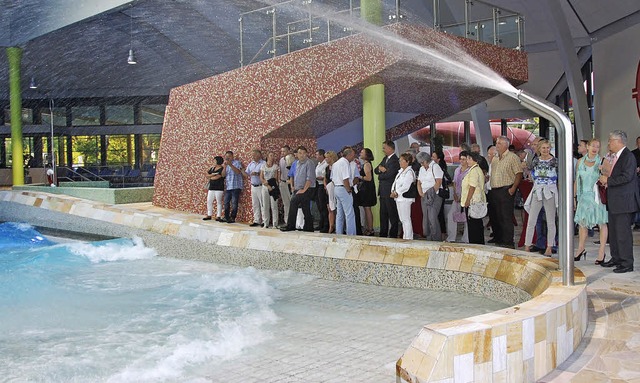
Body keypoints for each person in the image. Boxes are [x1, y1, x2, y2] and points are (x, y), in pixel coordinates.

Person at [598, 131, 640, 273]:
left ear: (618, 141)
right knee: (614, 234)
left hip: (624, 202)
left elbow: (627, 177)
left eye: (610, 140)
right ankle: (616, 258)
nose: (608, 143)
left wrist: (608, 180)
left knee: (623, 234)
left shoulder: (628, 156)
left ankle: (627, 263)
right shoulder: (616, 156)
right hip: (615, 201)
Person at [574, 138, 608, 263]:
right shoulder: (580, 162)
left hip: (597, 197)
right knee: (582, 224)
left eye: (598, 146)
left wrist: (603, 171)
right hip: (583, 196)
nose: (595, 148)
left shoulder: (602, 161)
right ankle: (580, 248)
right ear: (587, 147)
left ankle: (601, 251)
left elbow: (607, 180)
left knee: (601, 223)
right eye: (593, 145)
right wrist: (574, 197)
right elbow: (577, 181)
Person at [523, 140, 558, 256]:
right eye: (543, 148)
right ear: (539, 149)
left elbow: (558, 175)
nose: (545, 150)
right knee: (531, 219)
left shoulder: (554, 161)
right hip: (538, 190)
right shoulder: (536, 160)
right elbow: (531, 172)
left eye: (547, 147)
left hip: (550, 191)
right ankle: (527, 245)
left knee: (550, 220)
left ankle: (549, 246)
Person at [488, 136, 523, 248]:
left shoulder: (512, 157)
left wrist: (513, 189)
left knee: (506, 216)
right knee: (497, 216)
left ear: (505, 145)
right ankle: (500, 239)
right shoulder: (495, 158)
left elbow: (518, 173)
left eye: (499, 143)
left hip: (506, 190)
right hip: (494, 190)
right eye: (496, 143)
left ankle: (508, 242)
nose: (497, 145)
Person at [280, 146, 316, 232]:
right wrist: (294, 187)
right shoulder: (297, 163)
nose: (302, 155)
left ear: (306, 154)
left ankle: (290, 225)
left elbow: (310, 178)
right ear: (297, 155)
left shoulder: (309, 163)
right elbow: (294, 176)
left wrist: (304, 190)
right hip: (298, 188)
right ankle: (309, 227)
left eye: (304, 153)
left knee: (293, 202)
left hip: (307, 189)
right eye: (300, 153)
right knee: (305, 207)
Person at [374, 140, 400, 238]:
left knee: (392, 214)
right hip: (383, 191)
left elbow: (389, 175)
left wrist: (381, 174)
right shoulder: (385, 159)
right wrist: (381, 170)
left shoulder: (394, 160)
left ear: (390, 148)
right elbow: (376, 170)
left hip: (390, 191)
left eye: (384, 147)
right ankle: (383, 233)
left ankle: (393, 234)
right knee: (383, 214)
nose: (383, 150)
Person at [416, 151, 443, 241]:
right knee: (426, 218)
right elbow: (419, 182)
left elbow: (438, 182)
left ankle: (436, 239)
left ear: (427, 160)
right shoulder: (422, 169)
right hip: (424, 196)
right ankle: (429, 238)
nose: (421, 164)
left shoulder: (435, 167)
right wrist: (421, 193)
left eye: (422, 162)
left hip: (434, 196)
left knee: (432, 217)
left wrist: (430, 194)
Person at [461, 152, 486, 244]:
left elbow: (472, 187)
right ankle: (478, 242)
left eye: (468, 159)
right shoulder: (474, 169)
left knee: (474, 225)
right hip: (475, 201)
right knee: (476, 224)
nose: (467, 161)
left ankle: (476, 243)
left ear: (474, 160)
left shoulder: (474, 170)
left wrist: (467, 200)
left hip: (473, 201)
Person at [391, 152, 416, 240]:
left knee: (406, 219)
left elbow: (405, 186)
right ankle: (405, 236)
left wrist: (396, 192)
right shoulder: (401, 171)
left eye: (401, 160)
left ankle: (408, 237)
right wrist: (393, 191)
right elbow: (395, 183)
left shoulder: (409, 172)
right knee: (402, 219)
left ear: (407, 162)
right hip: (399, 198)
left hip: (405, 199)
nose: (400, 162)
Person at [332, 148, 357, 235]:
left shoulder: (336, 163)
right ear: (349, 155)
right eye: (353, 155)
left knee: (339, 214)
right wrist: (348, 190)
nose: (354, 157)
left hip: (336, 188)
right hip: (343, 189)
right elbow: (345, 179)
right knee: (349, 214)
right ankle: (351, 235)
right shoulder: (345, 163)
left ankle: (338, 233)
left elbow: (332, 178)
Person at [447, 150, 470, 242]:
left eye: (464, 159)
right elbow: (455, 182)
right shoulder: (457, 169)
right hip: (457, 196)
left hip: (466, 196)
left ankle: (466, 238)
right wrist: (455, 194)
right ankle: (451, 237)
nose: (462, 161)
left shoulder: (470, 171)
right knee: (451, 216)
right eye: (461, 159)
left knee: (466, 218)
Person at [356, 148, 377, 236]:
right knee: (366, 209)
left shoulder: (367, 164)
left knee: (367, 208)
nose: (360, 153)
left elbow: (368, 178)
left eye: (362, 152)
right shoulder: (365, 164)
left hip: (367, 189)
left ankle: (370, 229)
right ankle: (369, 228)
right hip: (366, 189)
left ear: (366, 155)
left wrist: (359, 176)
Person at [431, 151, 451, 239]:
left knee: (439, 214)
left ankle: (442, 232)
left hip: (439, 193)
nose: (432, 158)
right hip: (435, 192)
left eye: (434, 157)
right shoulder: (431, 168)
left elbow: (448, 179)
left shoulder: (440, 168)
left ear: (438, 159)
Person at [260, 152, 280, 229]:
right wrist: (267, 185)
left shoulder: (275, 166)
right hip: (265, 187)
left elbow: (275, 178)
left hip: (273, 187)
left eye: (273, 155)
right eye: (271, 155)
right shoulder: (263, 166)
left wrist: (270, 185)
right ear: (267, 157)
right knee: (265, 206)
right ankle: (266, 223)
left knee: (274, 205)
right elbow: (261, 177)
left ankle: (275, 224)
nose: (272, 157)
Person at [246, 149, 266, 227]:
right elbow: (247, 173)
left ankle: (264, 220)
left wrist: (257, 173)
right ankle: (256, 220)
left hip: (261, 186)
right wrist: (242, 171)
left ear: (259, 155)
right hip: (253, 186)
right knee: (255, 204)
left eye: (254, 155)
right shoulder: (251, 164)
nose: (253, 157)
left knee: (263, 204)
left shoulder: (263, 163)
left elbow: (265, 173)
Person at [222, 151, 243, 224]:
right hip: (228, 186)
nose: (227, 158)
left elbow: (238, 172)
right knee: (226, 202)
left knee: (234, 202)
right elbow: (223, 175)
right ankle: (226, 217)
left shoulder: (237, 163)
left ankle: (233, 217)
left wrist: (230, 165)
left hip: (236, 186)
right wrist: (224, 167)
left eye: (229, 156)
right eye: (226, 156)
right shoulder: (225, 164)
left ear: (232, 156)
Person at [203, 156, 225, 222]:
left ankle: (218, 215)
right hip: (211, 187)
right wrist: (212, 175)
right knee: (209, 200)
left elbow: (218, 177)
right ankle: (209, 214)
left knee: (219, 202)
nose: (213, 162)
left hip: (219, 188)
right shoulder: (212, 168)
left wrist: (211, 176)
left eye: (214, 161)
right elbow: (207, 174)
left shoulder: (222, 169)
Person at [315, 149, 330, 233]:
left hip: (322, 186)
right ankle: (321, 223)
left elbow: (325, 176)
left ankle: (326, 225)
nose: (316, 156)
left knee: (324, 206)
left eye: (317, 155)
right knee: (319, 206)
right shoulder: (318, 164)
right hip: (318, 185)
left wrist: (317, 177)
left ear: (321, 155)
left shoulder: (325, 164)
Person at [324, 151, 339, 234]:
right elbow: (325, 178)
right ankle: (331, 226)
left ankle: (338, 225)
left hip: (335, 187)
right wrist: (326, 186)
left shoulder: (336, 166)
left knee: (336, 208)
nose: (326, 159)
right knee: (329, 208)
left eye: (327, 157)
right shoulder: (327, 167)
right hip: (328, 189)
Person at [279, 145, 293, 225]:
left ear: (288, 151)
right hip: (282, 182)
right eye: (282, 151)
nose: (282, 153)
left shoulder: (291, 159)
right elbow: (280, 171)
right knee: (285, 203)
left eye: (284, 151)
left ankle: (292, 221)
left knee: (291, 202)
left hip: (289, 183)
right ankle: (286, 220)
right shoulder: (281, 160)